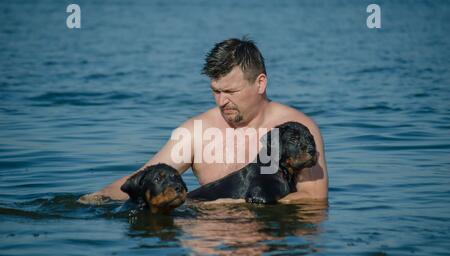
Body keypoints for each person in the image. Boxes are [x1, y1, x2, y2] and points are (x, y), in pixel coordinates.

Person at [79, 38, 328, 204]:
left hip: (274, 244)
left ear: (260, 83)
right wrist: (98, 197)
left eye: (230, 92)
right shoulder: (196, 132)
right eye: (215, 91)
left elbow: (314, 198)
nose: (221, 102)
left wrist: (237, 206)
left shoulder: (295, 129)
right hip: (210, 241)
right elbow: (145, 177)